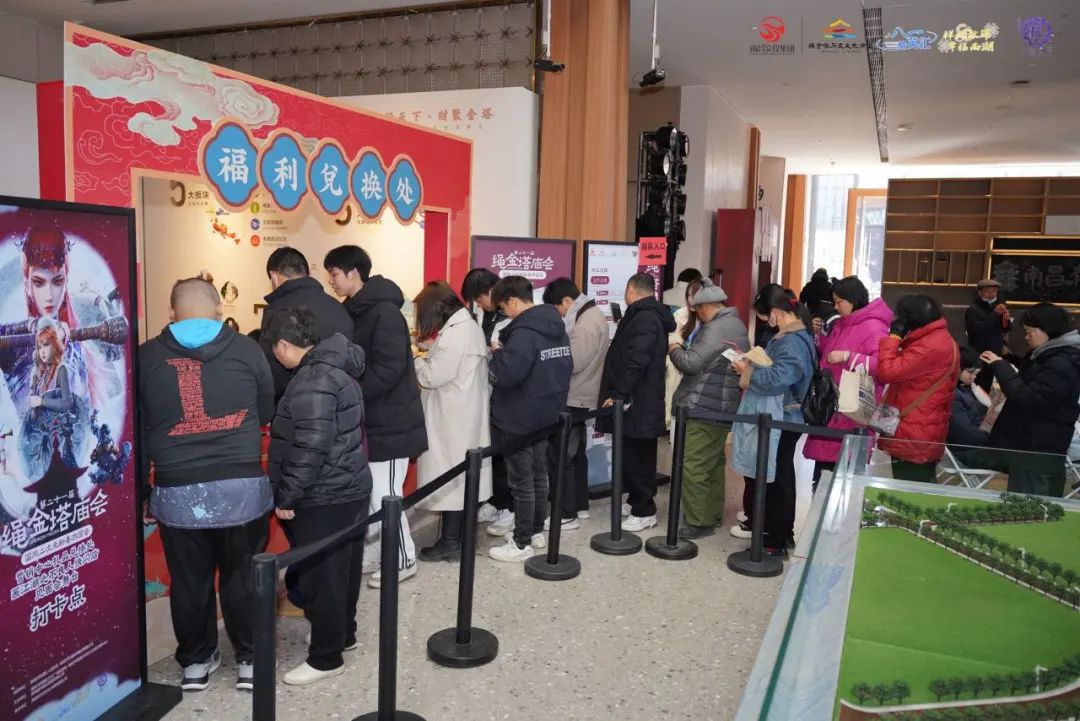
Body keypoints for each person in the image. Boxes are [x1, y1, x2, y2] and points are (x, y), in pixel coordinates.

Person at [139, 278, 274, 692]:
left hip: (178, 491)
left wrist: (143, 493)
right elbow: (265, 409)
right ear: (218, 308)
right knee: (243, 576)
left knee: (189, 581)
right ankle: (250, 659)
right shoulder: (248, 349)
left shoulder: (145, 357)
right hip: (241, 489)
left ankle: (196, 663)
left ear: (171, 312)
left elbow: (137, 429)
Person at [265, 308, 371, 686]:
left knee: (322, 577)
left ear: (283, 345)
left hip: (324, 494)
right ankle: (343, 635)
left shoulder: (312, 380)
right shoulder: (336, 367)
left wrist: (287, 496)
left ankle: (326, 658)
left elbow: (310, 447)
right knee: (343, 572)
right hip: (348, 487)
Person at [324, 245, 427, 588]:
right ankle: (375, 553)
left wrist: (350, 389)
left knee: (386, 494)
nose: (331, 281)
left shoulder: (384, 313)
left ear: (354, 272)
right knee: (371, 494)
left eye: (334, 274)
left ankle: (402, 558)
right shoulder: (355, 311)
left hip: (391, 422)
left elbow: (389, 369)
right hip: (369, 421)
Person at [485, 276, 572, 562]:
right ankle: (535, 531)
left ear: (512, 300)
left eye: (503, 307)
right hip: (546, 413)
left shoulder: (523, 333)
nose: (504, 314)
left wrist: (498, 353)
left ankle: (521, 543)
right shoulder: (556, 327)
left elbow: (506, 375)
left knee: (522, 481)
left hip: (519, 417)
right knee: (538, 475)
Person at [730, 285, 815, 557]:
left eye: (766, 317)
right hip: (784, 415)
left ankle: (776, 539)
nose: (766, 322)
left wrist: (746, 371)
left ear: (777, 312)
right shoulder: (797, 336)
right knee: (780, 475)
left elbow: (778, 380)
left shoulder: (792, 341)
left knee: (778, 479)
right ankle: (777, 534)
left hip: (783, 417)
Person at [411, 282, 492, 561]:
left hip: (453, 419)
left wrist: (415, 359)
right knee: (460, 478)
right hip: (461, 414)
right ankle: (457, 538)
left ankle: (451, 541)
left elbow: (433, 376)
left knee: (452, 478)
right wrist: (429, 348)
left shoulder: (458, 332)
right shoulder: (464, 327)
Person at [667, 279, 749, 539]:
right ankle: (711, 515)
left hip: (703, 404)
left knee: (693, 465)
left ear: (704, 307)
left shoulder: (714, 328)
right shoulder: (736, 324)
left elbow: (691, 363)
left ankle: (698, 520)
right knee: (713, 464)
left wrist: (674, 347)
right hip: (723, 405)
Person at [598, 273, 677, 532]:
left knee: (639, 457)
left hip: (639, 401)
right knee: (632, 454)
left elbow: (636, 361)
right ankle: (635, 501)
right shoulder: (644, 315)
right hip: (638, 399)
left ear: (631, 288)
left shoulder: (645, 318)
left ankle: (645, 510)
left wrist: (619, 393)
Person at [802, 277, 892, 491]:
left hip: (850, 413)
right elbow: (831, 354)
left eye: (839, 301)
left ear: (853, 300)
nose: (835, 307)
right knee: (824, 477)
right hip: (832, 408)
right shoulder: (843, 323)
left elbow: (882, 366)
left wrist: (848, 357)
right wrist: (820, 336)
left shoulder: (873, 327)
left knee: (840, 481)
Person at [982, 303, 1080, 496]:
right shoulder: (1048, 356)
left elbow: (1028, 399)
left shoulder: (1060, 363)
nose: (1026, 337)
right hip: (1033, 449)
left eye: (1029, 332)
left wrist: (1003, 368)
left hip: (1037, 453)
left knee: (1029, 506)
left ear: (1046, 329)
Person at [542, 277, 609, 528]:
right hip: (581, 394)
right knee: (576, 454)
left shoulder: (585, 323)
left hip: (574, 395)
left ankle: (565, 513)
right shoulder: (589, 315)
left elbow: (573, 362)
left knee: (562, 456)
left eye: (557, 307)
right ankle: (579, 506)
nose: (558, 314)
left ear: (567, 300)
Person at [876, 294, 959, 483]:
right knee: (915, 487)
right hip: (922, 427)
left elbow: (887, 372)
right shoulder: (940, 339)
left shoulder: (929, 346)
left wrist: (893, 338)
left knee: (910, 489)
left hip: (915, 432)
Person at [261, 247, 354, 400]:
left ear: (273, 277)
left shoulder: (277, 310)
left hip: (296, 403)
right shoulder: (337, 306)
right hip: (341, 400)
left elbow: (271, 372)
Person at [461, 268, 513, 530]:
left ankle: (509, 507)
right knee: (491, 452)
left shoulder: (511, 315)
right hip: (486, 393)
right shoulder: (485, 315)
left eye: (479, 299)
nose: (478, 305)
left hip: (506, 395)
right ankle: (495, 501)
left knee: (506, 455)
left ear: (491, 291)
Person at [948, 347, 990, 448]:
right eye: (970, 372)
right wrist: (990, 439)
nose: (973, 377)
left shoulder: (965, 387)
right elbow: (964, 433)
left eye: (976, 374)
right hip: (964, 446)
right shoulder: (953, 394)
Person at [965, 278, 1011, 355]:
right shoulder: (973, 309)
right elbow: (978, 330)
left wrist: (1006, 320)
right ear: (980, 292)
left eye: (994, 291)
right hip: (979, 352)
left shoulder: (999, 305)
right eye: (987, 291)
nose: (991, 294)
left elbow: (1006, 329)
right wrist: (995, 314)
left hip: (996, 351)